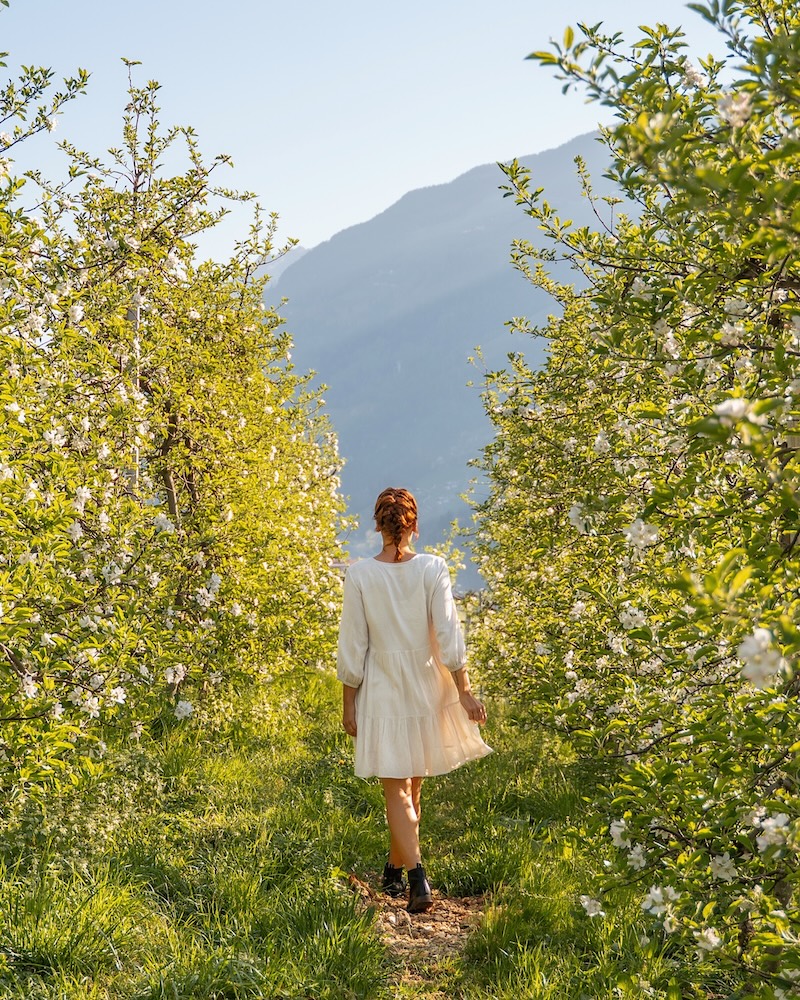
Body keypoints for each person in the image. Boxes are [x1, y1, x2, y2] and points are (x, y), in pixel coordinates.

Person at [337, 487, 492, 913]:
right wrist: (463, 690)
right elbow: (448, 633)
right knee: (412, 788)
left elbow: (353, 644)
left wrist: (348, 702)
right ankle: (394, 871)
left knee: (398, 788)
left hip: (382, 687)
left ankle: (416, 878)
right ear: (414, 525)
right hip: (427, 682)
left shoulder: (360, 574)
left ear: (378, 526)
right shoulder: (433, 567)